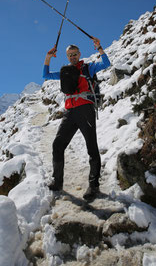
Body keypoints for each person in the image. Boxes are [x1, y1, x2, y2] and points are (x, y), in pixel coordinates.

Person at [43, 37, 111, 200]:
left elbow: (106, 63)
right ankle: (57, 181)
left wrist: (99, 47)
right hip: (70, 112)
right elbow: (45, 75)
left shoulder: (88, 68)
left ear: (79, 54)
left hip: (85, 110)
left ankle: (93, 186)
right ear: (67, 56)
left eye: (75, 54)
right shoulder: (65, 72)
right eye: (70, 55)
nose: (72, 57)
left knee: (91, 147)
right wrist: (47, 57)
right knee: (58, 145)